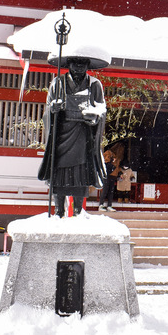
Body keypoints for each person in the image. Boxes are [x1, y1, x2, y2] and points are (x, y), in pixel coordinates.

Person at [38, 54, 107, 218]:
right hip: (61, 133)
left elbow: (101, 109)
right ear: (68, 64)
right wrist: (53, 110)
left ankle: (78, 211)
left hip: (82, 134)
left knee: (80, 173)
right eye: (75, 63)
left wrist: (94, 117)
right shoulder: (58, 83)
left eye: (83, 64)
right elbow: (47, 110)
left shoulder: (94, 85)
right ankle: (58, 211)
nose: (79, 67)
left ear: (88, 65)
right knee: (59, 173)